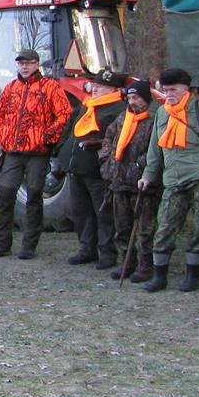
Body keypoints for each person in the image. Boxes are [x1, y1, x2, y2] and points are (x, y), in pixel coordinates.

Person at [138, 68, 199, 292]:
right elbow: (155, 150)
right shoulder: (162, 113)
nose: (169, 94)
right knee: (164, 227)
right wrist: (148, 175)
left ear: (186, 89)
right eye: (165, 90)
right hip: (173, 180)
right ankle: (160, 276)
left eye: (173, 89)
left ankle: (192, 275)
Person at [0, 49, 73, 260]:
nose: (24, 67)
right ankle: (2, 243)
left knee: (34, 195)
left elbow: (64, 114)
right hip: (13, 152)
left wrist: (45, 137)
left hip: (38, 153)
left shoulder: (50, 87)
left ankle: (29, 245)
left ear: (37, 64)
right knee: (6, 194)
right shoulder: (11, 88)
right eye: (21, 63)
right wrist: (4, 137)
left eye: (29, 63)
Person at [98, 79, 159, 283]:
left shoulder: (153, 121)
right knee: (121, 226)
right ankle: (127, 261)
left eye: (137, 98)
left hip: (141, 183)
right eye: (130, 98)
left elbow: (155, 149)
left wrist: (139, 166)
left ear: (146, 99)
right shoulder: (122, 119)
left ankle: (146, 265)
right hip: (118, 180)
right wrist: (106, 159)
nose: (133, 102)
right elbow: (108, 139)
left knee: (145, 227)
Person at [64, 77, 127, 269]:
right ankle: (86, 249)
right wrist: (62, 151)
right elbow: (70, 130)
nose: (96, 88)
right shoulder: (88, 106)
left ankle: (107, 252)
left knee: (103, 213)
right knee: (81, 211)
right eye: (95, 85)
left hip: (98, 170)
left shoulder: (117, 109)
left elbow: (117, 139)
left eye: (101, 86)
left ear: (113, 88)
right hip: (77, 168)